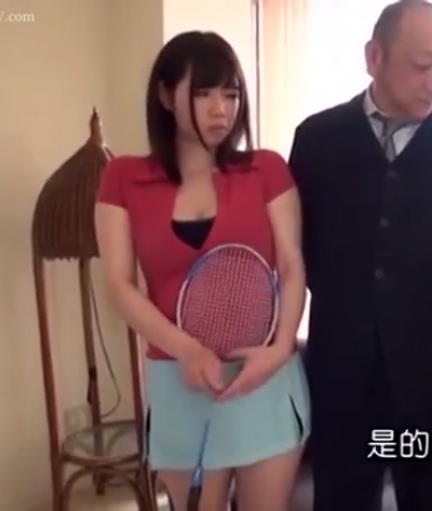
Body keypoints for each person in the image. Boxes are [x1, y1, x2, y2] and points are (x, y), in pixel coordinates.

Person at [288, 1, 432, 510]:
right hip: (343, 377)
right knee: (341, 499)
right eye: (423, 66)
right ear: (374, 57)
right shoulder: (317, 140)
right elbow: (299, 250)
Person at [94, 31, 309, 511]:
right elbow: (119, 285)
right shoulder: (123, 177)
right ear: (165, 95)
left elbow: (292, 264)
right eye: (204, 93)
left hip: (263, 376)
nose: (221, 109)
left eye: (231, 95)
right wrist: (187, 349)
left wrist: (279, 350)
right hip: (178, 380)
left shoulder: (266, 169)